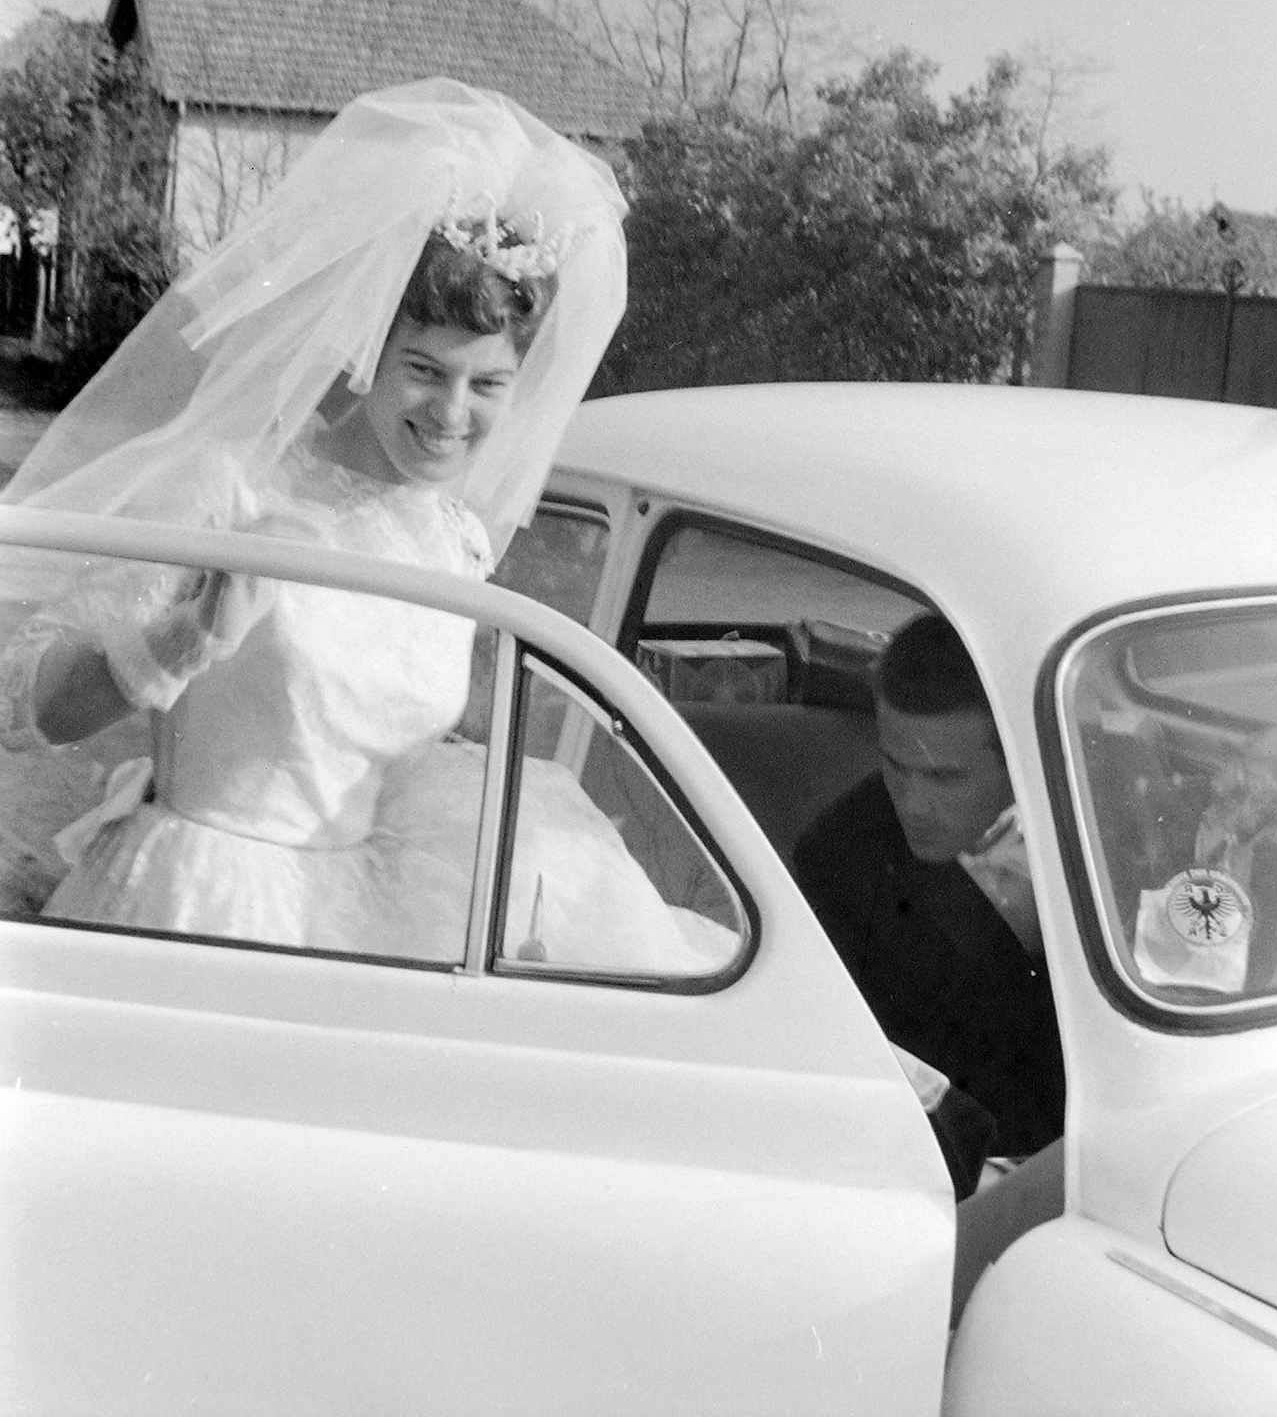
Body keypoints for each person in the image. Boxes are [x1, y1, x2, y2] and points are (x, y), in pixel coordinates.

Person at [0, 79, 702, 966]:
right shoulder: (229, 486)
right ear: (368, 351)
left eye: (488, 384)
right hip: (206, 902)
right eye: (424, 369)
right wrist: (184, 638)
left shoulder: (453, 537)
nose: (452, 413)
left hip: (368, 910)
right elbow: (21, 701)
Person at [793, 613, 1065, 1197]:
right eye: (895, 765)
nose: (912, 803)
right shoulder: (839, 856)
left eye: (944, 778)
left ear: (1019, 757)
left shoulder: (1086, 822)